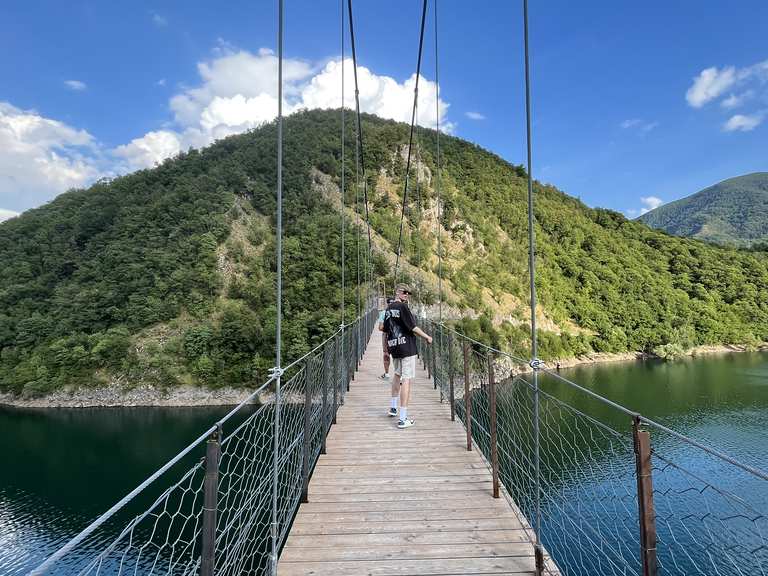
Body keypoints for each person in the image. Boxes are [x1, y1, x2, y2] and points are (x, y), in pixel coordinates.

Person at [382, 284, 432, 429]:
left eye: (408, 293)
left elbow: (385, 330)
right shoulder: (403, 307)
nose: (406, 295)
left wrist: (386, 348)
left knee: (397, 375)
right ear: (397, 292)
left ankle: (393, 407)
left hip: (394, 346)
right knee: (407, 379)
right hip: (406, 347)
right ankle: (403, 419)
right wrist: (427, 337)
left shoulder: (389, 309)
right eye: (404, 292)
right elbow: (413, 327)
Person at [377, 298, 394, 380]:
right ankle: (392, 375)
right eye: (390, 303)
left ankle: (389, 375)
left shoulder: (384, 313)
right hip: (392, 336)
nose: (391, 304)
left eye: (392, 303)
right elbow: (380, 327)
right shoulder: (384, 313)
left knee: (388, 355)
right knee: (391, 355)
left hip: (389, 337)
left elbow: (380, 328)